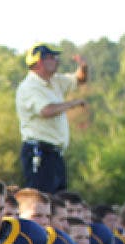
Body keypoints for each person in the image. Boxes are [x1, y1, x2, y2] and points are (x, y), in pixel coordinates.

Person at [15, 43, 88, 193]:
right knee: (42, 200)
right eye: (52, 57)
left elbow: (79, 80)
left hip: (55, 154)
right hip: (39, 151)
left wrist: (84, 67)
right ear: (39, 61)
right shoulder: (29, 87)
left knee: (59, 203)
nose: (57, 60)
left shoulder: (55, 81)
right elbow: (46, 110)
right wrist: (73, 103)